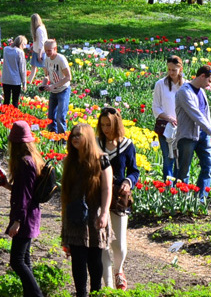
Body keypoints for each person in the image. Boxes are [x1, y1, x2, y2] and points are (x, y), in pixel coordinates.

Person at [60, 123, 113, 297]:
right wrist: (64, 221)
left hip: (95, 214)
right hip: (75, 216)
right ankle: (81, 294)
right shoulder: (70, 161)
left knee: (94, 259)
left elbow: (107, 189)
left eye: (78, 135)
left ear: (88, 138)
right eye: (72, 135)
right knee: (78, 259)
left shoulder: (102, 160)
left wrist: (104, 213)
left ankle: (96, 292)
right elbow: (65, 193)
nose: (74, 138)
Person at [96, 107, 139, 291]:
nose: (106, 129)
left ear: (117, 124)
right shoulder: (96, 144)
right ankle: (109, 286)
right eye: (103, 125)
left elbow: (134, 170)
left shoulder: (127, 146)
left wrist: (129, 182)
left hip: (120, 199)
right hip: (98, 197)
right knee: (103, 242)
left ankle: (118, 269)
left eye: (109, 125)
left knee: (119, 244)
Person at [1, 121, 45, 297]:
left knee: (17, 261)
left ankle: (37, 294)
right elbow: (26, 191)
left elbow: (24, 196)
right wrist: (7, 185)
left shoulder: (25, 163)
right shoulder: (32, 159)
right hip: (31, 214)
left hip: (25, 217)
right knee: (25, 259)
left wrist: (17, 221)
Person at [174, 65, 211, 201]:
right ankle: (181, 200)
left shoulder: (201, 91)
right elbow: (196, 115)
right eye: (210, 80)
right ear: (202, 76)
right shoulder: (184, 91)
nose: (210, 84)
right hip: (188, 136)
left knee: (208, 166)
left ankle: (200, 200)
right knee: (184, 170)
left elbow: (205, 114)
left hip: (204, 136)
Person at [152, 55, 184, 181]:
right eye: (169, 69)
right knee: (168, 158)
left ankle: (178, 185)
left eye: (174, 70)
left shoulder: (185, 85)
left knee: (179, 158)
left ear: (180, 69)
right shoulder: (160, 84)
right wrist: (169, 118)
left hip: (181, 127)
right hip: (165, 127)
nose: (171, 72)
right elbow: (156, 107)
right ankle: (167, 186)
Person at [42, 39, 72, 134]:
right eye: (45, 50)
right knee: (50, 117)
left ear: (55, 49)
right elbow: (46, 75)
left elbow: (68, 77)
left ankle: (62, 140)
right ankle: (52, 137)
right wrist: (43, 85)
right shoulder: (46, 59)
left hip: (63, 90)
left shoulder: (61, 59)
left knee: (60, 116)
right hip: (53, 91)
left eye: (49, 50)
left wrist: (53, 86)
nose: (47, 52)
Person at [1, 36, 28, 108]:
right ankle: (14, 116)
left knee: (6, 100)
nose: (25, 47)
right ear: (21, 44)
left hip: (6, 79)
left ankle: (4, 115)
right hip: (15, 80)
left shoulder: (5, 49)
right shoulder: (20, 52)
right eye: (25, 44)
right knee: (15, 101)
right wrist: (24, 83)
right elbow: (22, 69)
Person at [27, 14, 48, 84]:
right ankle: (29, 82)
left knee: (44, 67)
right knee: (33, 67)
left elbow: (42, 43)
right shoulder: (40, 28)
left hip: (40, 51)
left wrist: (40, 54)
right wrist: (33, 46)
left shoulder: (39, 29)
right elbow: (38, 41)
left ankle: (48, 79)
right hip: (36, 50)